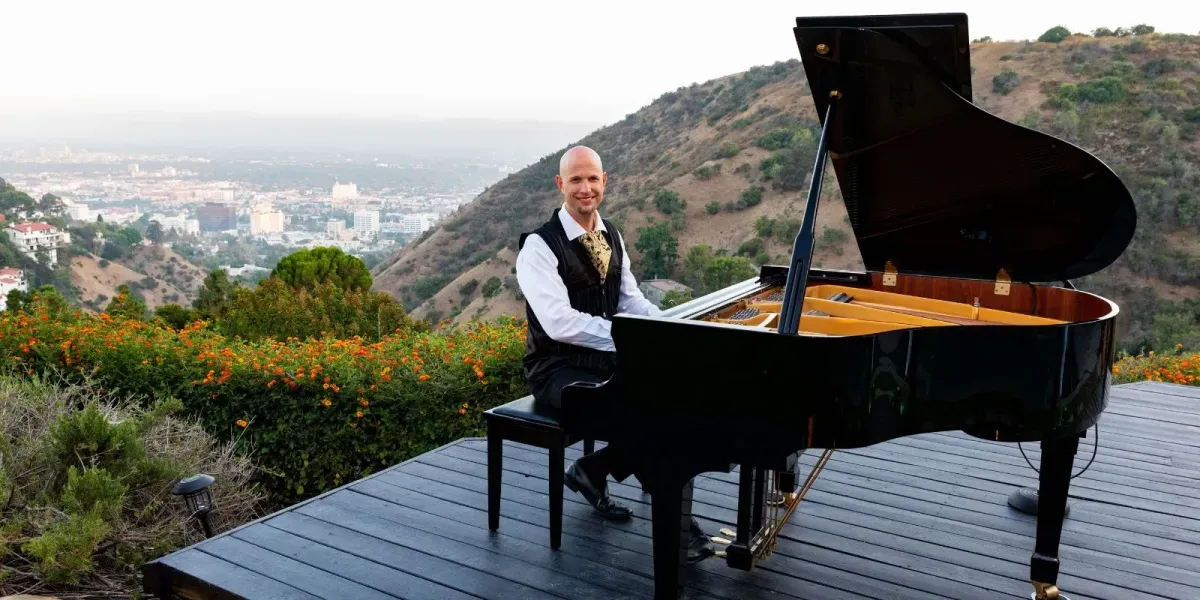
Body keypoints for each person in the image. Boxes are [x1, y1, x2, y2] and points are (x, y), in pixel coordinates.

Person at [515, 145, 713, 562]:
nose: (585, 189)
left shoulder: (613, 236)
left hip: (605, 360)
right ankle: (678, 526)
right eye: (575, 180)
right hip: (556, 370)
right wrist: (629, 337)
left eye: (592, 179)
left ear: (605, 181)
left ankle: (594, 469)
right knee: (644, 411)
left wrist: (666, 328)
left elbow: (632, 301)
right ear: (560, 185)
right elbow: (559, 324)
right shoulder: (538, 247)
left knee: (679, 397)